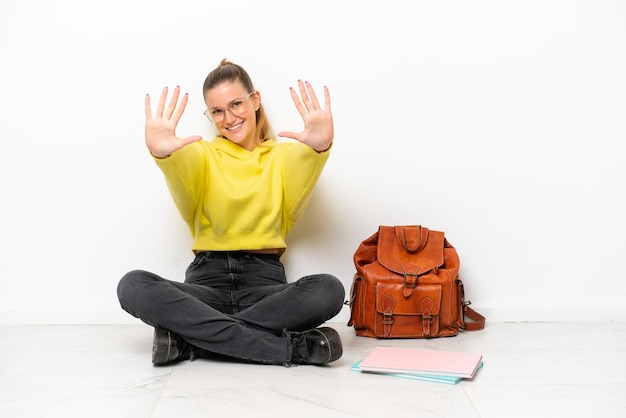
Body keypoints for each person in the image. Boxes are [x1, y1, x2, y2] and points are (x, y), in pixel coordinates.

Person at [117, 59, 345, 367]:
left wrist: (319, 147)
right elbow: (183, 166)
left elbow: (304, 166)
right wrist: (164, 153)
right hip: (205, 285)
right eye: (217, 110)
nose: (229, 117)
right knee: (133, 285)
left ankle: (189, 342)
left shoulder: (282, 157)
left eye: (236, 103)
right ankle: (290, 350)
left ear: (255, 100)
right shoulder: (203, 154)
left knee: (328, 289)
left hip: (264, 287)